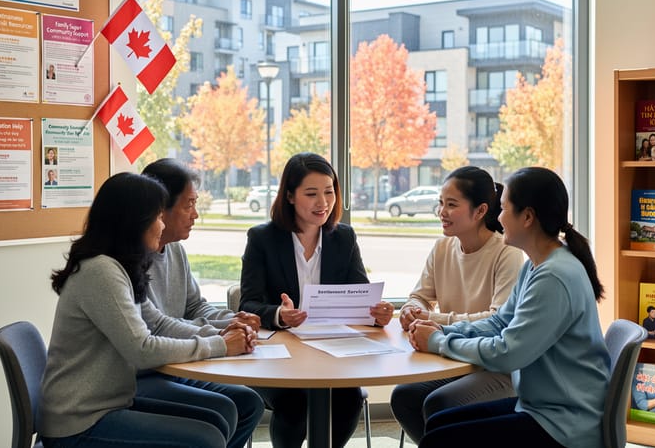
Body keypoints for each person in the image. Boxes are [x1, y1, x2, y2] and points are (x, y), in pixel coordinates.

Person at [37, 172, 257, 448]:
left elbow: (158, 324)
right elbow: (142, 349)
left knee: (220, 418)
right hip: (78, 423)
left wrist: (222, 334)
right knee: (207, 438)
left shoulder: (119, 266)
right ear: (134, 222)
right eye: (158, 217)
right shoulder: (101, 271)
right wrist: (219, 345)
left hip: (109, 404)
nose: (162, 225)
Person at [412, 167, 610, 448]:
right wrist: (443, 330)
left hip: (564, 423)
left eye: (504, 209)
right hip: (541, 408)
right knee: (437, 423)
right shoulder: (536, 265)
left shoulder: (554, 276)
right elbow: (499, 322)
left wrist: (438, 342)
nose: (498, 217)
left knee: (439, 439)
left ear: (527, 217)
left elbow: (508, 353)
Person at [239, 152, 394, 448]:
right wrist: (279, 314)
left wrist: (377, 313)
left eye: (329, 192)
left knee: (349, 399)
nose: (323, 202)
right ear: (290, 196)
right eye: (311, 194)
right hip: (277, 356)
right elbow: (247, 304)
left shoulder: (343, 238)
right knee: (295, 405)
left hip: (331, 353)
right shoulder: (262, 239)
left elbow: (361, 295)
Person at [389, 166, 524, 444]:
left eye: (451, 205)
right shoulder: (442, 248)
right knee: (403, 396)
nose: (442, 212)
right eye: (441, 203)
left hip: (495, 367)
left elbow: (498, 320)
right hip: (452, 357)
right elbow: (419, 295)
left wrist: (434, 320)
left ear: (480, 211)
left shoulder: (506, 253)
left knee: (439, 403)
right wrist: (411, 310)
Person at [138, 158, 264, 448]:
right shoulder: (129, 261)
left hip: (173, 363)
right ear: (160, 208)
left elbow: (195, 306)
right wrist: (221, 336)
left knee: (248, 403)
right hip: (144, 374)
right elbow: (156, 327)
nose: (195, 214)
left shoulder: (175, 250)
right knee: (222, 412)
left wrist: (233, 319)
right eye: (189, 205)